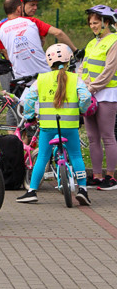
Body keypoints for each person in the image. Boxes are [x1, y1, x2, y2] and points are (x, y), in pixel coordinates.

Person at [16, 43, 91, 205]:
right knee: (76, 156)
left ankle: (32, 192)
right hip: (70, 126)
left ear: (49, 62)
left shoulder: (41, 79)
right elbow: (85, 97)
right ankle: (83, 190)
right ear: (69, 60)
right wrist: (82, 110)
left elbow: (28, 100)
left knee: (42, 156)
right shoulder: (75, 78)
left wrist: (30, 117)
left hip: (48, 127)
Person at [0, 0, 75, 88]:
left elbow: (6, 55)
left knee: (24, 101)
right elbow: (58, 33)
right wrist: (75, 50)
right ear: (19, 9)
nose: (35, 8)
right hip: (43, 74)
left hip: (21, 78)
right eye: (32, 5)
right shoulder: (32, 21)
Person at [81, 5, 117, 190]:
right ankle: (96, 175)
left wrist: (90, 88)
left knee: (107, 136)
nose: (93, 26)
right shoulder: (91, 42)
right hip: (89, 94)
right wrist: (80, 85)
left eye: (96, 23)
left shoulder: (114, 41)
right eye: (91, 23)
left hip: (106, 94)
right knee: (92, 137)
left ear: (107, 22)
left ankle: (111, 176)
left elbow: (108, 72)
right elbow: (84, 67)